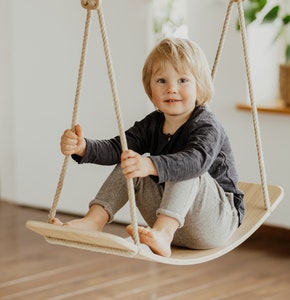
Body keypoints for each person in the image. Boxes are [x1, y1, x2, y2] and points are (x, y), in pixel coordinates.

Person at [52, 37, 244, 258]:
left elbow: (195, 161)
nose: (171, 89)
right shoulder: (152, 124)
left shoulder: (207, 126)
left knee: (186, 166)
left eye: (182, 80)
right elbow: (116, 147)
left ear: (199, 86)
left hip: (215, 222)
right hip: (171, 219)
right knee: (129, 160)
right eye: (162, 81)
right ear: (150, 88)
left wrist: (151, 164)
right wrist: (83, 147)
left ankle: (163, 232)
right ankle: (93, 221)